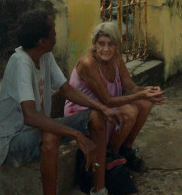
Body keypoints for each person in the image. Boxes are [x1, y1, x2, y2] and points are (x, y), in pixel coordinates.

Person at [0, 9, 134, 195]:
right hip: (15, 141)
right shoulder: (21, 62)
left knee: (96, 117)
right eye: (52, 30)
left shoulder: (44, 56)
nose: (56, 33)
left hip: (37, 126)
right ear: (42, 40)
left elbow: (67, 90)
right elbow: (30, 116)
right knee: (51, 135)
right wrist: (77, 135)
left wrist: (102, 107)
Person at [65, 21, 166, 172]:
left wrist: (148, 91)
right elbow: (107, 100)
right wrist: (141, 94)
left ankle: (125, 150)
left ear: (117, 45)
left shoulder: (116, 58)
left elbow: (130, 87)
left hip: (107, 110)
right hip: (86, 115)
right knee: (130, 111)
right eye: (101, 44)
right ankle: (109, 155)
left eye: (111, 44)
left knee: (145, 103)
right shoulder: (88, 63)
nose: (106, 49)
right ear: (94, 44)